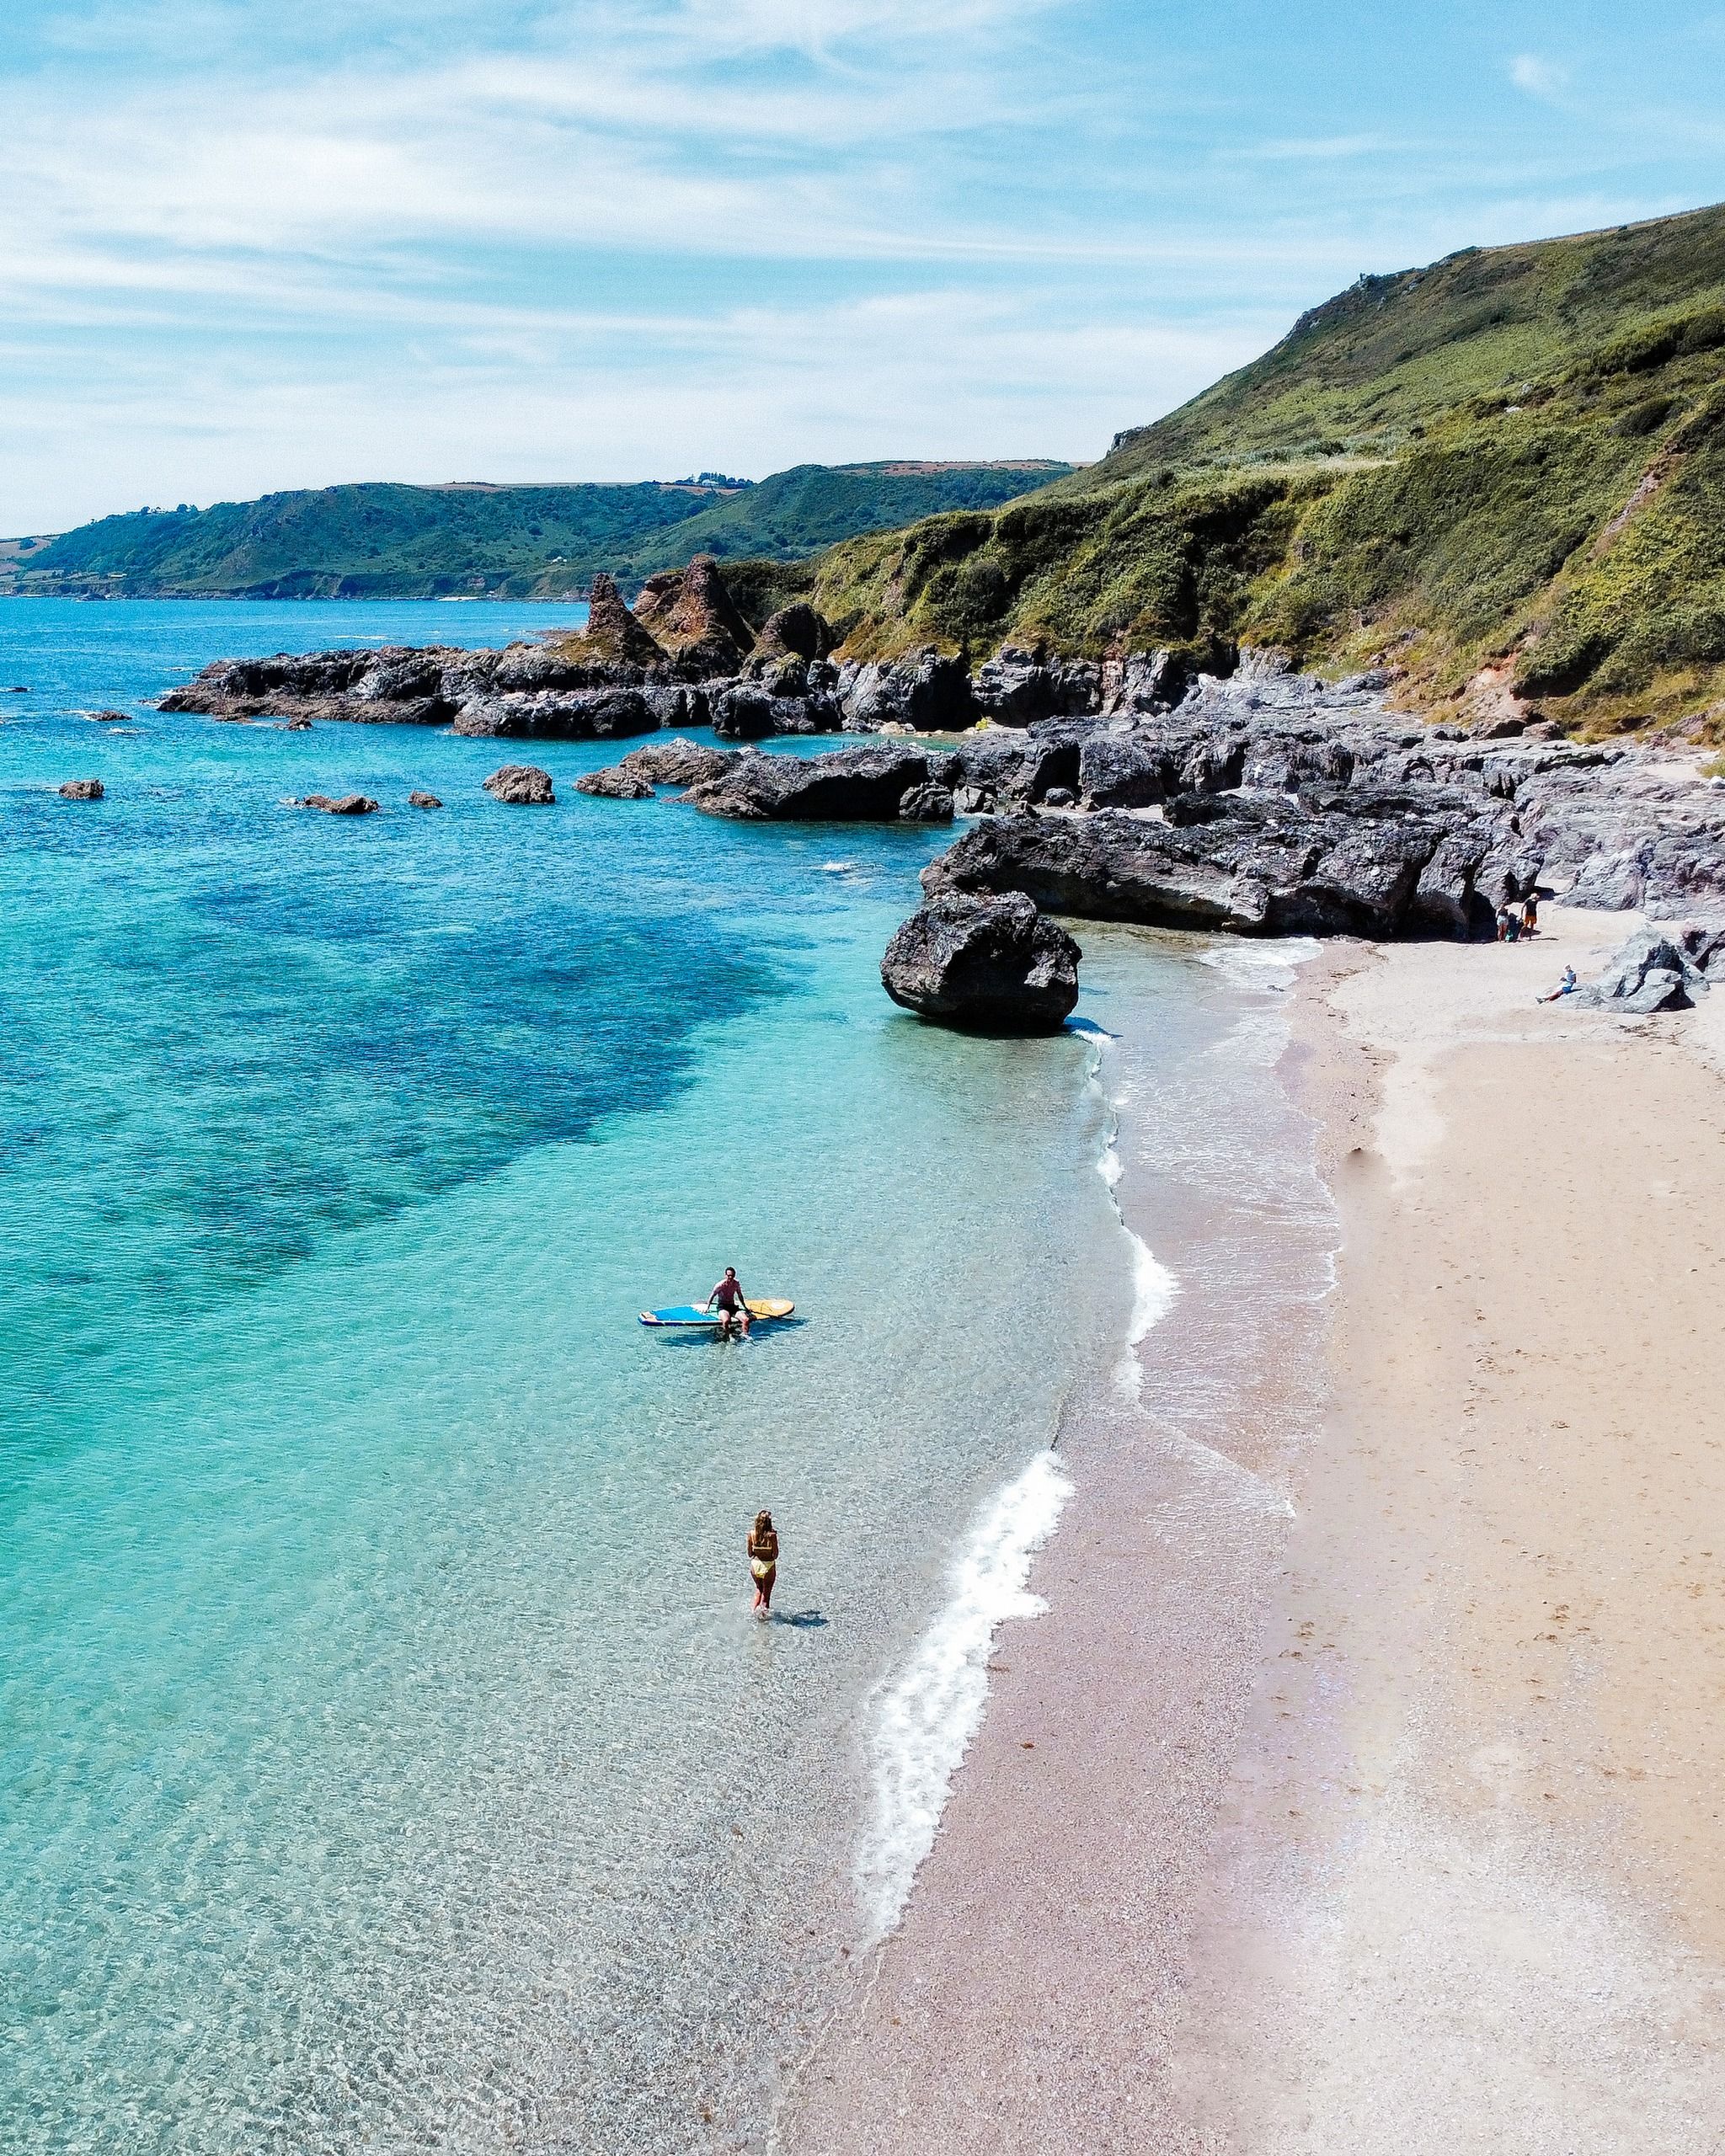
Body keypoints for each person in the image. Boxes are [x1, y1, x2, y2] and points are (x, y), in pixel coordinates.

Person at [747, 1509, 778, 1615]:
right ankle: (763, 1619)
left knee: (759, 1589)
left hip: (755, 1565)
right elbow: (775, 1555)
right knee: (766, 1595)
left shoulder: (751, 1534)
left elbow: (750, 1554)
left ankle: (752, 1613)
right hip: (768, 1566)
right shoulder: (772, 1536)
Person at [708, 1266, 750, 1339]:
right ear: (725, 1275)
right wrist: (707, 1307)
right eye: (729, 1276)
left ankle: (745, 1335)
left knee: (746, 1320)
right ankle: (728, 1336)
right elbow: (712, 1296)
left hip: (732, 1306)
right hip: (722, 1307)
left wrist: (745, 1307)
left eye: (732, 1276)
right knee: (726, 1321)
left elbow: (740, 1295)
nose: (730, 1277)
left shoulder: (736, 1283)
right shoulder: (720, 1285)